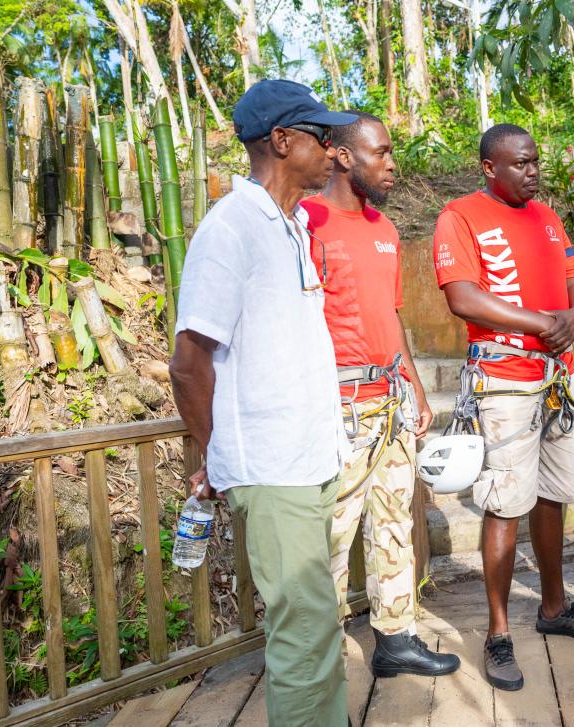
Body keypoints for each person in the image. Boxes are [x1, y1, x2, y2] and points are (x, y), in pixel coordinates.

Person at [169, 79, 356, 727]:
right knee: (304, 636)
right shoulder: (231, 228)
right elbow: (189, 362)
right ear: (282, 140)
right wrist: (218, 455)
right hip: (275, 470)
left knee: (316, 627)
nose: (334, 150)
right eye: (321, 136)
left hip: (310, 460)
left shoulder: (293, 224)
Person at [432, 123, 574, 692]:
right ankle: (498, 633)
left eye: (536, 162)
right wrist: (542, 324)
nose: (533, 172)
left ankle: (553, 607)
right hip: (505, 380)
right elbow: (463, 297)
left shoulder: (548, 218)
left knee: (555, 494)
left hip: (558, 378)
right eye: (521, 164)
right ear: (490, 166)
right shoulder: (460, 216)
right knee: (505, 502)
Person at [300, 111, 459, 679]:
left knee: (394, 524)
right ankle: (322, 657)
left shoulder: (385, 230)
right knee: (331, 534)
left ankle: (396, 640)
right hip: (338, 405)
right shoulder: (306, 222)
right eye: (381, 153)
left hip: (390, 396)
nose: (392, 165)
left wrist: (415, 389)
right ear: (343, 156)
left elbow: (391, 316)